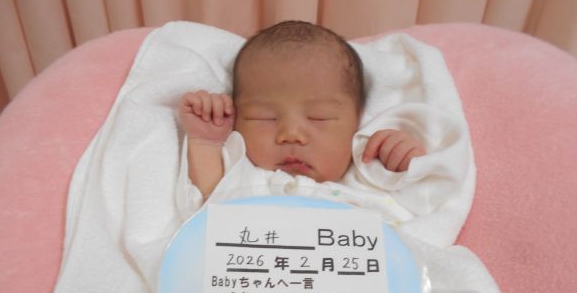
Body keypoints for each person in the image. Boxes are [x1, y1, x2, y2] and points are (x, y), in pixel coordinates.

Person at [178, 20, 426, 198]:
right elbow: (211, 198)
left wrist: (406, 163)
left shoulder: (368, 172)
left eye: (319, 118)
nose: (291, 134)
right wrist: (206, 141)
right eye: (264, 118)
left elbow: (425, 204)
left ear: (357, 120)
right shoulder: (246, 177)